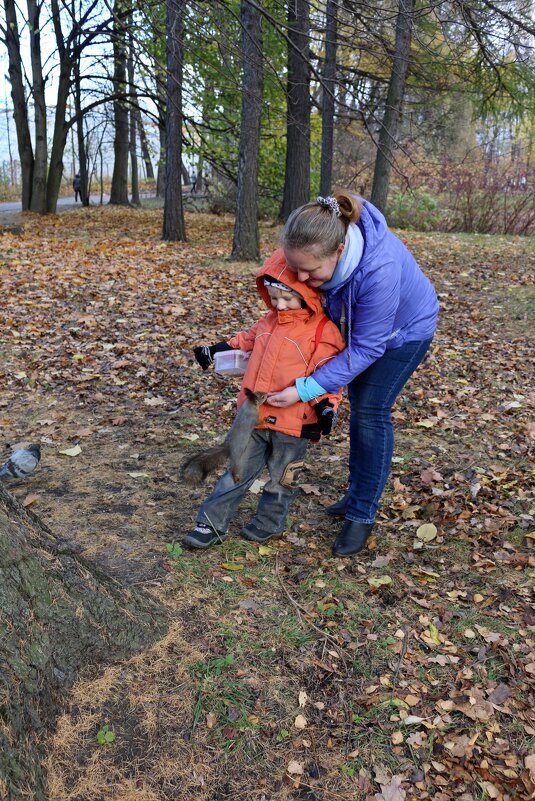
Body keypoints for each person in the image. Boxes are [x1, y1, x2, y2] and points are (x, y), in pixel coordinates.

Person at [267, 192, 439, 557]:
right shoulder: (313, 238)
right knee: (360, 410)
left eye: (310, 271)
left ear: (340, 250)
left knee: (371, 413)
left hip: (402, 334)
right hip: (358, 332)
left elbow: (368, 349)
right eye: (295, 266)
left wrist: (305, 389)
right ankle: (356, 494)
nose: (300, 277)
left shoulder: (380, 270)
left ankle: (362, 512)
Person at [184, 256, 346, 549]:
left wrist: (325, 408)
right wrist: (214, 351)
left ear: (307, 295)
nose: (280, 305)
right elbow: (243, 342)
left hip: (296, 422)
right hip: (255, 416)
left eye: (287, 298)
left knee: (282, 479)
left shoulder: (324, 332)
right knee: (237, 470)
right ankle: (210, 523)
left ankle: (269, 522)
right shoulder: (268, 322)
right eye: (274, 298)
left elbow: (330, 374)